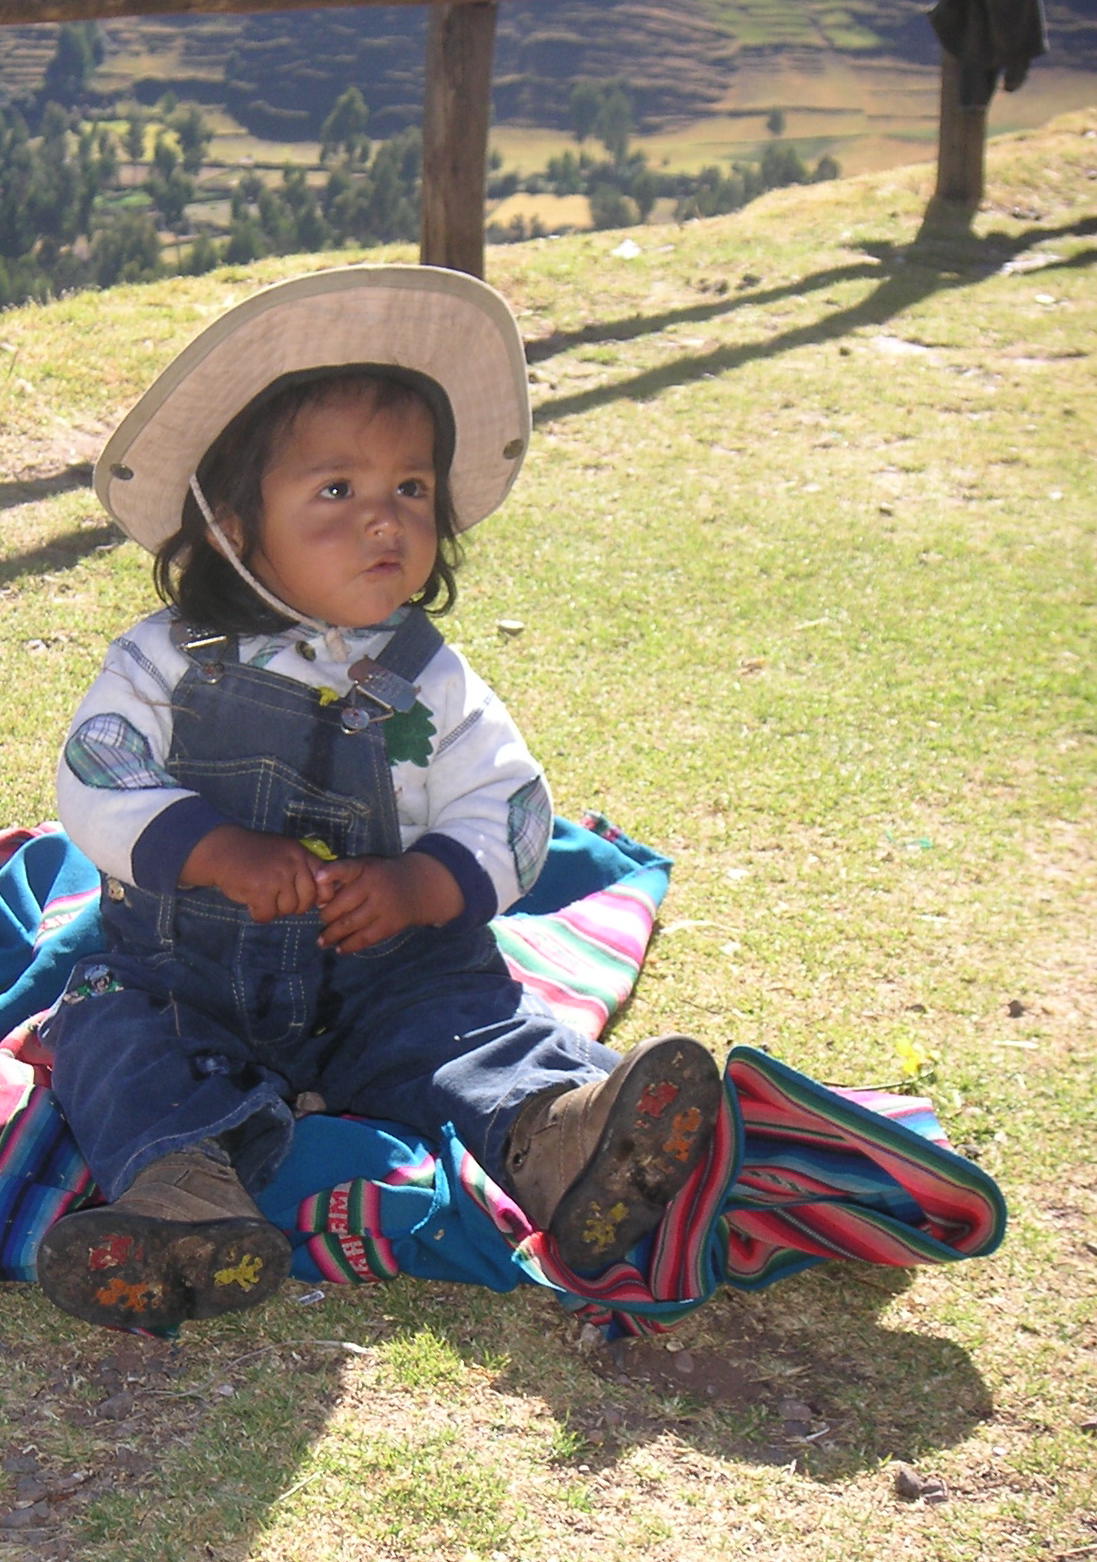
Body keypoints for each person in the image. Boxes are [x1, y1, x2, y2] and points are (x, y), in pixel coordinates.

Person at [38, 266, 718, 1333]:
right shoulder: (166, 660)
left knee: (466, 1029)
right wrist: (211, 849)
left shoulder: (429, 678)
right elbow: (100, 773)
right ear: (229, 521)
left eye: (410, 488)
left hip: (385, 976)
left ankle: (560, 1138)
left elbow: (514, 807)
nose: (383, 520)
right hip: (188, 975)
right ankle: (183, 1194)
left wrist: (423, 882)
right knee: (105, 1031)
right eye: (335, 490)